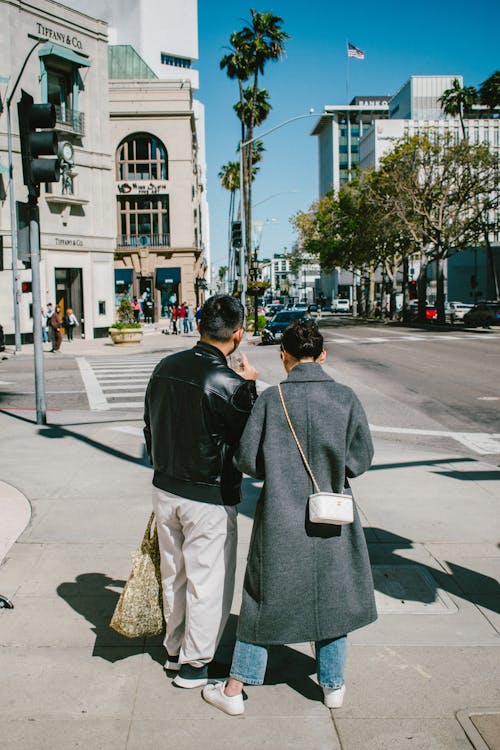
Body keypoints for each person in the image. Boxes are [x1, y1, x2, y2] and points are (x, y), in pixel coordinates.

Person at [203, 320, 376, 716]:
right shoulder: (346, 398)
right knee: (333, 598)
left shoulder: (272, 400)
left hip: (281, 515)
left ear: (285, 357)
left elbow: (249, 461)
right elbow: (360, 459)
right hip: (331, 513)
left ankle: (235, 688)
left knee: (262, 598)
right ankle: (332, 685)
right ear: (323, 355)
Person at [144, 294, 258, 689]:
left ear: (199, 326)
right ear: (237, 334)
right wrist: (251, 386)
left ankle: (174, 650)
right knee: (207, 582)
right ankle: (195, 664)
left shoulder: (164, 367)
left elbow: (149, 426)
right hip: (209, 495)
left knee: (173, 574)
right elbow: (251, 443)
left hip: (166, 487)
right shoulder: (231, 384)